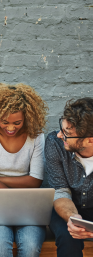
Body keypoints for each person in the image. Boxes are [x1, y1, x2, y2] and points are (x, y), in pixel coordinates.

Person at [0, 83, 48, 257]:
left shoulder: (36, 135)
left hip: (28, 207)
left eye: (17, 123)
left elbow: (35, 180)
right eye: (4, 122)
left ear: (27, 117)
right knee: (0, 246)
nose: (10, 128)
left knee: (31, 246)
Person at [45, 97, 93, 257]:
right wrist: (73, 218)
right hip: (67, 207)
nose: (59, 135)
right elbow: (60, 190)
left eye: (67, 133)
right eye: (62, 128)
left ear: (89, 140)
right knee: (68, 236)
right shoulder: (55, 144)